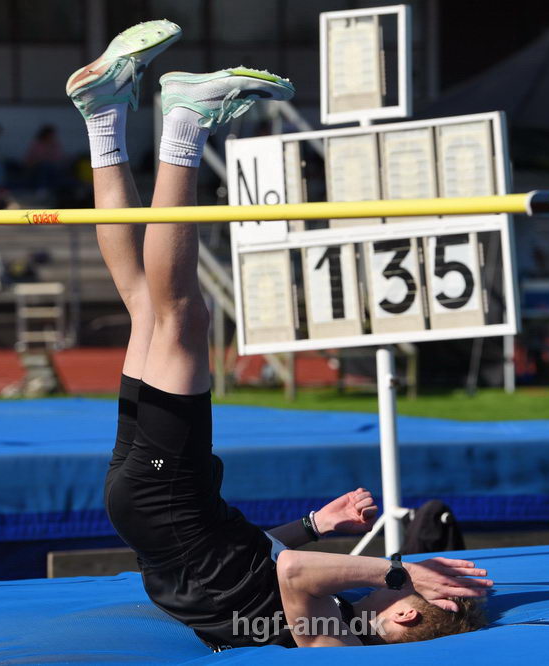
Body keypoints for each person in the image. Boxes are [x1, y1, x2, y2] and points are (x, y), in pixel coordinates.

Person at [72, 19, 492, 651]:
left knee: (183, 317)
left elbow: (292, 575)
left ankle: (184, 123)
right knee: (146, 306)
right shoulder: (320, 618)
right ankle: (103, 117)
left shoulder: (334, 638)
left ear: (405, 614)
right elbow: (263, 564)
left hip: (170, 502)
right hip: (162, 515)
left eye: (410, 597)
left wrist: (407, 570)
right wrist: (316, 523)